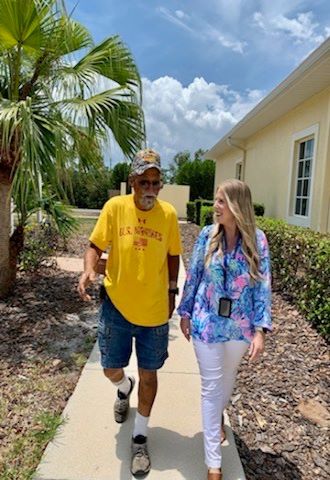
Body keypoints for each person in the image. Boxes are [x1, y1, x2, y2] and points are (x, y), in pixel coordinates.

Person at [78, 148, 182, 477]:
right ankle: (124, 388)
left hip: (153, 313)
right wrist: (88, 270)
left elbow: (173, 255)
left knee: (151, 375)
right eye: (144, 182)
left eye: (156, 182)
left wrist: (171, 290)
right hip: (116, 308)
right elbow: (95, 245)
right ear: (132, 182)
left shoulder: (167, 215)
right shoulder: (114, 208)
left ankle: (140, 437)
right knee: (111, 368)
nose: (151, 188)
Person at [177, 179, 272, 480]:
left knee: (226, 381)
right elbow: (193, 276)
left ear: (236, 206)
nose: (214, 207)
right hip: (207, 323)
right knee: (210, 387)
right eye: (216, 201)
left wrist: (260, 330)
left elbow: (263, 287)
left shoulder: (258, 241)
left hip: (239, 329)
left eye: (220, 201)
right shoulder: (207, 235)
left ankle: (217, 418)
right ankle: (214, 466)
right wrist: (185, 311)